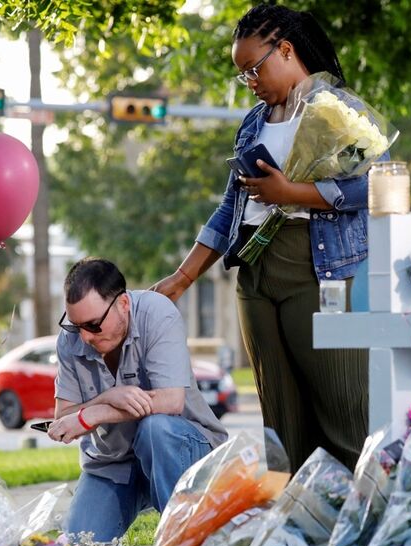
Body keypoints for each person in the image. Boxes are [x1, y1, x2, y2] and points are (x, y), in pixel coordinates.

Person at [152, 4, 382, 471]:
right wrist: (181, 278)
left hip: (318, 272)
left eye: (254, 69)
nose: (251, 82)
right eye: (243, 75)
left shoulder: (340, 110)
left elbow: (377, 187)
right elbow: (229, 209)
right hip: (254, 275)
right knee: (281, 420)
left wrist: (290, 192)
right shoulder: (253, 123)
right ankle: (296, 524)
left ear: (286, 49)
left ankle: (365, 516)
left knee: (344, 410)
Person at [50, 258, 228, 541]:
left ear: (123, 304)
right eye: (76, 325)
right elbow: (63, 417)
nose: (84, 337)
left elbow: (171, 401)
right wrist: (109, 397)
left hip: (179, 449)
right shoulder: (71, 339)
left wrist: (95, 414)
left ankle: (186, 545)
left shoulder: (158, 313)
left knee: (156, 428)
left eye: (94, 325)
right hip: (113, 462)